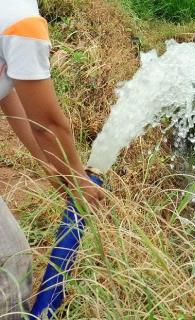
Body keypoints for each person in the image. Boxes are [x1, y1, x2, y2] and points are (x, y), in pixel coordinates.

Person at [1, 0, 104, 318]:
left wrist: (53, 167)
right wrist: (77, 179)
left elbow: (7, 93)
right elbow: (49, 124)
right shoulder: (20, 17)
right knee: (10, 266)